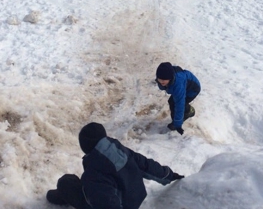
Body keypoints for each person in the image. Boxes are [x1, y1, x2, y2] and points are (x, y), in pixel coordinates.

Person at [47, 122, 184, 209]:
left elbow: (106, 202)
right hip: (135, 197)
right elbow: (147, 166)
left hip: (120, 204)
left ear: (85, 147)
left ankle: (64, 195)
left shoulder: (94, 174)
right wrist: (168, 175)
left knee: (66, 182)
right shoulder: (121, 151)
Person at [155, 62, 201, 135]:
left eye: (164, 80)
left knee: (177, 103)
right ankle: (176, 120)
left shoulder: (178, 85)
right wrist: (163, 84)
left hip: (192, 89)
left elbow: (180, 105)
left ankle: (190, 111)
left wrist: (177, 125)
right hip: (184, 86)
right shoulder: (164, 78)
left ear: (170, 78)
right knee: (172, 101)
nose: (161, 82)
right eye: (160, 79)